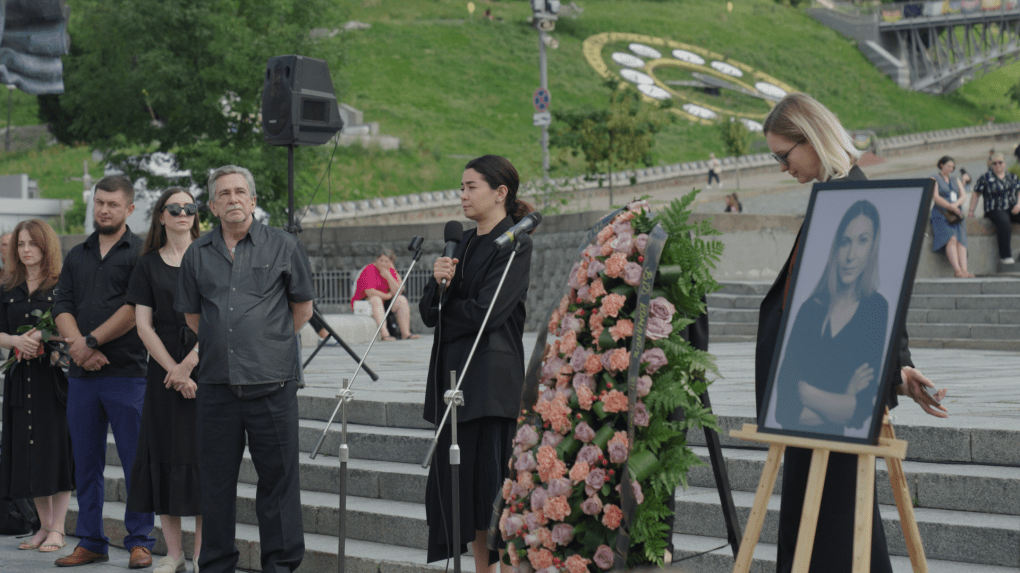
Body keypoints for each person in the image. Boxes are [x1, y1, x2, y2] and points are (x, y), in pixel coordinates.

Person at [760, 92, 948, 573]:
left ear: (812, 136)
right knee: (828, 524)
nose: (783, 167)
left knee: (840, 527)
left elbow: (881, 296)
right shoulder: (834, 197)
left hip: (832, 399)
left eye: (785, 155)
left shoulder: (853, 197)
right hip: (810, 399)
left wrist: (896, 369)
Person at [176, 165, 315, 573]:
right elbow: (192, 317)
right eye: (224, 194)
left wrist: (264, 342)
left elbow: (302, 309)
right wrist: (229, 344)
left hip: (272, 383)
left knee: (279, 483)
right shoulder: (197, 253)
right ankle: (217, 565)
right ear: (213, 206)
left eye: (240, 192)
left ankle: (281, 566)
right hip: (217, 385)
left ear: (253, 201)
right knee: (216, 485)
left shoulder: (284, 245)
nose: (233, 199)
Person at [420, 155, 533, 572]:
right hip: (453, 380)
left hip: (489, 384)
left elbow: (489, 312)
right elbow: (430, 314)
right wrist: (437, 284)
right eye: (461, 187)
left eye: (471, 187)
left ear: (500, 192)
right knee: (463, 496)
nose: (462, 195)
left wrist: (450, 307)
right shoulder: (462, 243)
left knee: (492, 492)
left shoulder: (516, 242)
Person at [53, 175, 155, 568]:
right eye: (99, 202)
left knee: (135, 462)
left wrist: (89, 342)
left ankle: (140, 541)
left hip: (127, 375)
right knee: (86, 463)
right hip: (82, 378)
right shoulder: (78, 254)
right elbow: (61, 304)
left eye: (112, 204)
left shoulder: (142, 253)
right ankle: (91, 541)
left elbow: (135, 309)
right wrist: (80, 348)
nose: (103, 209)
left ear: (129, 209)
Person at [125, 187, 203, 573]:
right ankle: (174, 553)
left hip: (206, 368)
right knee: (167, 458)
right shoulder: (147, 265)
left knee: (205, 462)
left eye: (190, 207)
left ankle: (205, 553)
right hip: (163, 373)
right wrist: (174, 370)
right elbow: (143, 324)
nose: (183, 213)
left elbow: (221, 319)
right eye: (175, 208)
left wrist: (189, 365)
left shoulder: (211, 256)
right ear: (161, 216)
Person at [774, 201, 886, 436]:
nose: (850, 255)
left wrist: (805, 393)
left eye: (862, 241)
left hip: (843, 454)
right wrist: (844, 398)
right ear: (836, 247)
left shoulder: (876, 309)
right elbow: (784, 410)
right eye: (845, 242)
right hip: (799, 448)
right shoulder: (810, 309)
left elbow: (863, 409)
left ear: (873, 247)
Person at [0, 219, 74, 553]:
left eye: (33, 243)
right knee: (30, 455)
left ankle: (58, 528)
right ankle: (43, 527)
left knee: (55, 453)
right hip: (19, 381)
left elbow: (74, 331)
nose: (26, 250)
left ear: (46, 246)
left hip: (52, 382)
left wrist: (44, 336)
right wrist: (16, 340)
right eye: (21, 244)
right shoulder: (6, 285)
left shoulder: (61, 285)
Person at [351, 248, 419, 341]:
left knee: (401, 300)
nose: (383, 264)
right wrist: (387, 296)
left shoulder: (390, 270)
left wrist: (388, 275)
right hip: (365, 303)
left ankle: (406, 333)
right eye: (381, 260)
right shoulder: (369, 269)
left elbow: (399, 291)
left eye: (387, 261)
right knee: (376, 299)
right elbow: (369, 291)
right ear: (376, 260)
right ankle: (385, 334)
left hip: (383, 303)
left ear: (391, 262)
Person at [970, 153, 1020, 265]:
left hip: (1012, 207)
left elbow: (1018, 191)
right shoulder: (985, 178)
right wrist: (971, 212)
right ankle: (1005, 256)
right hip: (994, 208)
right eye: (995, 163)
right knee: (1004, 222)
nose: (997, 165)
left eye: (1000, 162)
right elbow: (975, 194)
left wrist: (1019, 204)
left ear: (1004, 164)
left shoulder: (1012, 177)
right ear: (992, 165)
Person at [930, 155, 973, 277]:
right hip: (942, 213)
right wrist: (950, 206)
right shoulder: (934, 179)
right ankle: (957, 270)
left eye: (952, 167)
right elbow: (936, 197)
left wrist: (956, 205)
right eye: (948, 166)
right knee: (951, 238)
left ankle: (964, 270)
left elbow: (963, 195)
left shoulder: (955, 179)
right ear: (941, 165)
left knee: (961, 240)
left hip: (956, 214)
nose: (950, 168)